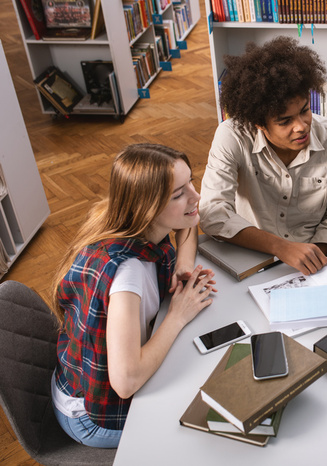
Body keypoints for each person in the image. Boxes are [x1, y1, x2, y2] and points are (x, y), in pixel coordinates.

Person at [50, 143, 216, 448]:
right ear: (148, 207)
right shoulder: (128, 275)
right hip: (91, 416)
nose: (196, 197)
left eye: (191, 182)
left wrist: (183, 264)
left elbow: (189, 224)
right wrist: (178, 315)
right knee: (206, 430)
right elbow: (126, 383)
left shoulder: (133, 223)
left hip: (78, 376)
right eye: (179, 194)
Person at [199, 36, 327, 276]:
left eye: (305, 110)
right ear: (258, 124)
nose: (302, 126)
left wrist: (309, 257)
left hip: (319, 251)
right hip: (252, 250)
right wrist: (282, 248)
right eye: (285, 121)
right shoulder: (231, 136)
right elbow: (212, 212)